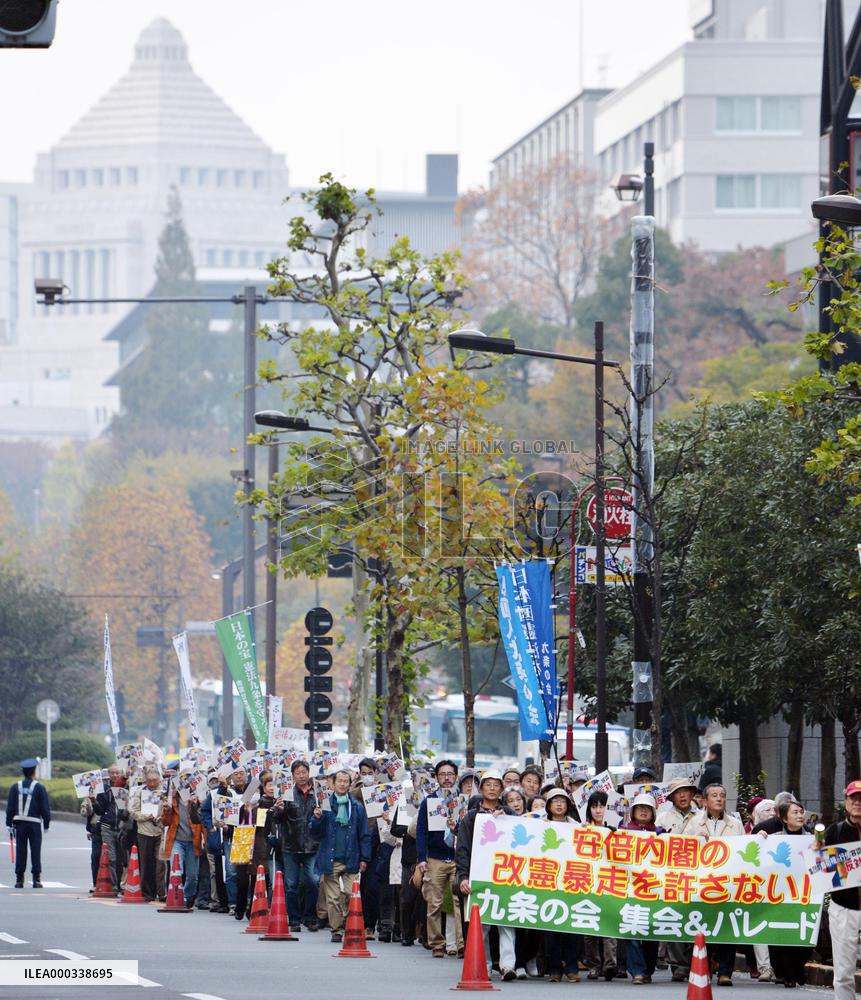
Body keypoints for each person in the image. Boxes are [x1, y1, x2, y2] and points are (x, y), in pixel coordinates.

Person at [455, 770, 517, 981]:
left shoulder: (509, 814)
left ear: (501, 789)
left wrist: (504, 820)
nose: (492, 788)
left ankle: (508, 965)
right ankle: (484, 965)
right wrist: (463, 876)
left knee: (506, 921)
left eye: (496, 784)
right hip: (479, 875)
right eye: (488, 784)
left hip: (505, 875)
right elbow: (462, 849)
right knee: (481, 924)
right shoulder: (471, 817)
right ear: (481, 789)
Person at [687, 783, 743, 986]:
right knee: (705, 925)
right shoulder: (695, 823)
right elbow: (682, 849)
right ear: (704, 801)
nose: (719, 799)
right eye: (714, 795)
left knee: (727, 925)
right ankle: (706, 966)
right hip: (703, 884)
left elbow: (745, 850)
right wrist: (696, 840)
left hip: (728, 884)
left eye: (722, 795)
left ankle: (725, 972)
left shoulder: (735, 824)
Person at [310, 767, 372, 944]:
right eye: (340, 781)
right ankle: (336, 930)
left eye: (346, 781)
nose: (343, 784)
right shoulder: (324, 805)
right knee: (333, 898)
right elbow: (314, 832)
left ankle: (347, 922)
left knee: (351, 894)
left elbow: (364, 834)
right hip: (330, 859)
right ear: (333, 783)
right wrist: (317, 818)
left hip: (351, 857)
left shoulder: (357, 807)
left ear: (350, 784)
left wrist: (364, 858)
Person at [416, 759, 463, 958]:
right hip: (435, 858)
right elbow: (421, 831)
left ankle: (461, 944)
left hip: (457, 858)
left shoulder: (463, 800)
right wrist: (421, 858)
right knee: (433, 903)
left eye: (450, 774)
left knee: (459, 902)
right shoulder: (429, 801)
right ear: (436, 777)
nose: (446, 778)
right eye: (442, 774)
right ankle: (436, 943)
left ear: (456, 776)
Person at [657, 777, 699, 982]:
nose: (682, 795)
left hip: (698, 875)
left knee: (696, 917)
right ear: (672, 797)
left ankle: (696, 961)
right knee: (674, 916)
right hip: (671, 875)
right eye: (678, 792)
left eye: (686, 791)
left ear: (692, 794)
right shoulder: (662, 818)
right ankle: (679, 964)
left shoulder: (702, 816)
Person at [766, 800, 812, 988]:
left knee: (804, 933)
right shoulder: (774, 839)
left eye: (801, 812)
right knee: (782, 934)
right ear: (784, 819)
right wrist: (760, 838)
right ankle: (785, 974)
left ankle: (797, 969)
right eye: (795, 813)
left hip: (805, 894)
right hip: (779, 894)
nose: (800, 816)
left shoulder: (813, 838)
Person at [272, 758, 320, 932]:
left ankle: (310, 917)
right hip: (290, 845)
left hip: (313, 845)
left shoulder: (318, 794)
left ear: (309, 773)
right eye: (297, 773)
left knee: (313, 881)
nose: (301, 776)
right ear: (292, 775)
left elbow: (326, 818)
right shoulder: (286, 794)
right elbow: (277, 820)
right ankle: (293, 919)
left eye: (304, 772)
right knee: (291, 884)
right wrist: (279, 809)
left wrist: (319, 816)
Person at [824, 780, 861, 1000]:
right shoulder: (834, 831)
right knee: (843, 972)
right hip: (843, 908)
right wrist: (816, 851)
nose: (857, 803)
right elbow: (820, 867)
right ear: (846, 801)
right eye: (853, 798)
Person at [541, 788, 582, 982]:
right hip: (548, 881)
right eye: (555, 801)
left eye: (563, 801)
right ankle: (554, 969)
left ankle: (572, 967)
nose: (559, 804)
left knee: (572, 928)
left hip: (572, 881)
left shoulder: (577, 826)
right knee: (551, 928)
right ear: (548, 805)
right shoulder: (539, 825)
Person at [623, 793, 663, 984]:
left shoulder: (662, 834)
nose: (643, 811)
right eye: (640, 808)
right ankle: (637, 971)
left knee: (651, 931)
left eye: (647, 808)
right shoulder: (623, 832)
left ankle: (647, 969)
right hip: (628, 889)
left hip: (653, 890)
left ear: (653, 813)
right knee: (630, 930)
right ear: (633, 812)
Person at [582, 790, 618, 982]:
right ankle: (594, 965)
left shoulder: (616, 829)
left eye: (602, 806)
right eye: (594, 806)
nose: (598, 810)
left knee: (609, 924)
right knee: (590, 927)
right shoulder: (582, 828)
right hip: (588, 881)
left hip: (610, 881)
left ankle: (610, 964)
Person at [5, 758, 50, 889]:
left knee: (21, 850)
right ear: (34, 772)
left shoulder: (15, 787)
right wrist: (46, 824)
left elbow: (10, 808)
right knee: (35, 850)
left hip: (19, 824)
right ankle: (36, 879)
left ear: (23, 772)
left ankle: (19, 879)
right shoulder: (39, 787)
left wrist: (8, 824)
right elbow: (45, 808)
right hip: (34, 824)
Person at [161, 779, 204, 910]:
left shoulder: (196, 800)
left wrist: (196, 805)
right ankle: (177, 897)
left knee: (192, 875)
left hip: (193, 841)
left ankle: (188, 896)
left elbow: (201, 821)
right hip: (177, 841)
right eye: (174, 787)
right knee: (176, 870)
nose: (176, 789)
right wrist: (166, 810)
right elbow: (165, 823)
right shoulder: (172, 802)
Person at [130, 765, 165, 903]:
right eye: (149, 780)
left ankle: (162, 892)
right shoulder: (140, 792)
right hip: (144, 831)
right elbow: (134, 812)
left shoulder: (164, 792)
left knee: (161, 863)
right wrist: (146, 816)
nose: (152, 783)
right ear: (145, 780)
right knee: (146, 863)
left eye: (155, 780)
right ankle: (148, 893)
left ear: (159, 780)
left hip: (160, 832)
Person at [93, 762, 129, 895]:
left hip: (123, 828)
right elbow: (100, 810)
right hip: (107, 827)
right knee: (111, 857)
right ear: (108, 774)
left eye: (117, 772)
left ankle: (121, 884)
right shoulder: (103, 790)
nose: (115, 775)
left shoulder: (127, 788)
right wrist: (93, 801)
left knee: (123, 859)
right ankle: (114, 886)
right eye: (112, 773)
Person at [198, 770, 229, 913]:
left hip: (233, 835)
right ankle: (219, 901)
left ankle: (232, 901)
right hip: (216, 837)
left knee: (232, 871)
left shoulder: (236, 792)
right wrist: (210, 827)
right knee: (216, 871)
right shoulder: (213, 793)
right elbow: (204, 813)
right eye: (215, 781)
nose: (218, 783)